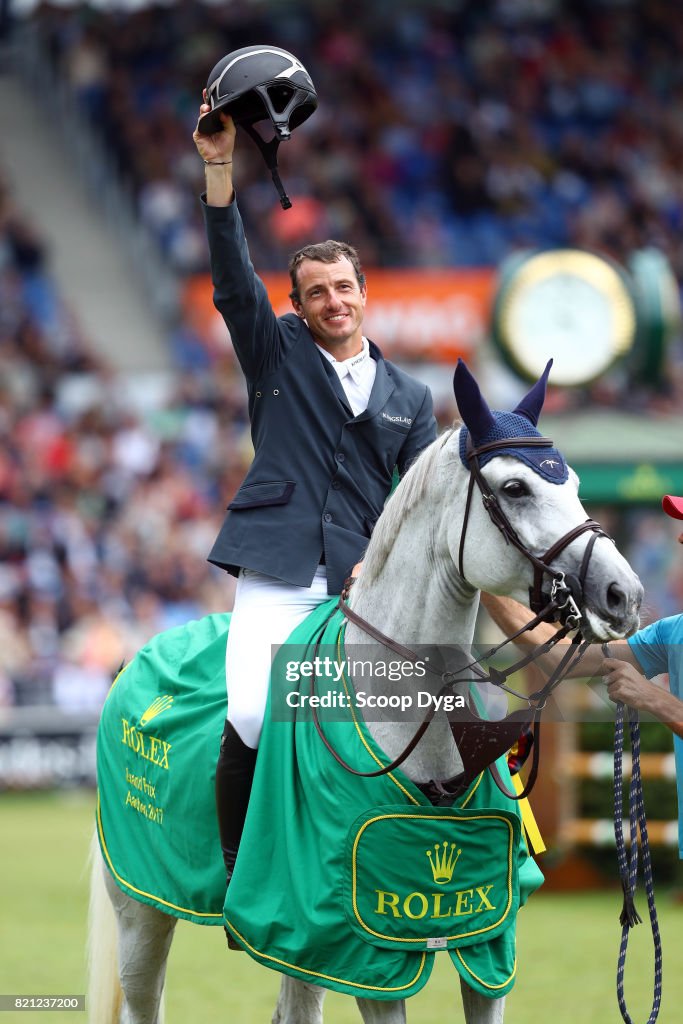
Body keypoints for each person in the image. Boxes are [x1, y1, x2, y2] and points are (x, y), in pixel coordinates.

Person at [192, 104, 437, 889]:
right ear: (296, 306)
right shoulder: (274, 352)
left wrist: (379, 564)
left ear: (364, 293)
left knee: (417, 715)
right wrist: (219, 170)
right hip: (277, 571)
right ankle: (239, 875)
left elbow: (418, 503)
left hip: (360, 583)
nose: (333, 300)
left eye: (343, 287)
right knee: (257, 715)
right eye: (316, 293)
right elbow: (233, 281)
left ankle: (380, 862)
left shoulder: (411, 393)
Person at [481, 492, 683, 858]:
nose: (680, 538)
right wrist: (485, 583)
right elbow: (562, 659)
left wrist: (654, 699)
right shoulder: (674, 632)